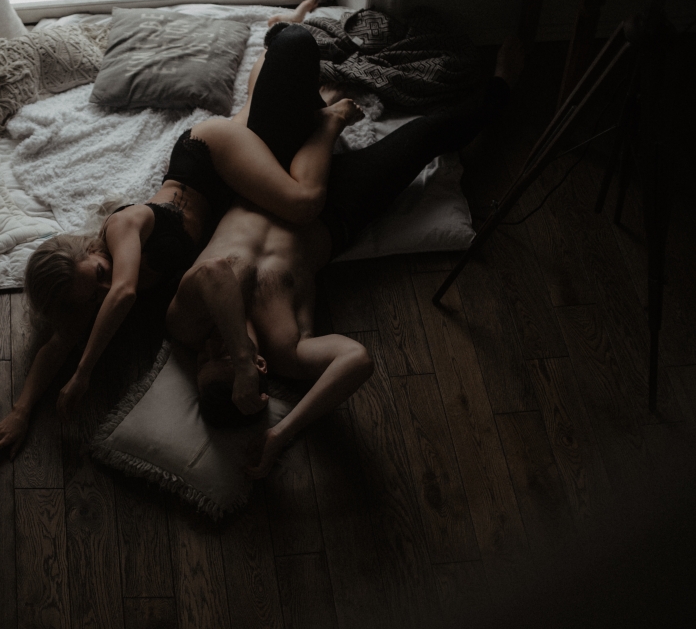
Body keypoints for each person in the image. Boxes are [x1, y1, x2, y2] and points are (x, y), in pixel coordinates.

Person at [0, 5, 364, 462]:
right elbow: (56, 345)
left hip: (206, 157)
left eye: (98, 274)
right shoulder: (93, 297)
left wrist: (83, 373)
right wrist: (21, 411)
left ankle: (303, 74)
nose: (104, 287)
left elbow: (123, 292)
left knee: (302, 202)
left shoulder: (120, 229)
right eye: (92, 295)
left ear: (90, 248)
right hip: (226, 196)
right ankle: (277, 33)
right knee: (251, 113)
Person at [166, 35, 525, 478]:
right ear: (259, 365)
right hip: (337, 212)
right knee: (429, 135)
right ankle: (502, 86)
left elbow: (216, 271)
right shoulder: (287, 351)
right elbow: (356, 360)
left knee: (293, 44)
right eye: (216, 359)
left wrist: (236, 358)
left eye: (202, 361)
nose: (207, 349)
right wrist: (281, 434)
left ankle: (313, 99)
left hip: (266, 173)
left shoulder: (188, 324)